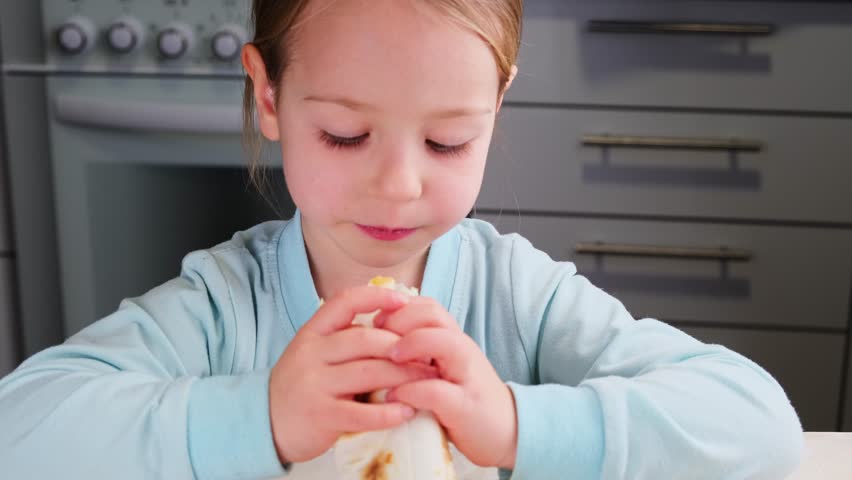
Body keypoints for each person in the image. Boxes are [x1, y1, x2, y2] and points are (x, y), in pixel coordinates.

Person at [0, 0, 803, 478]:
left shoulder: (517, 296)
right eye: (346, 135)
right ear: (269, 95)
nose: (398, 186)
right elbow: (20, 432)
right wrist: (259, 418)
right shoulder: (222, 307)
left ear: (497, 102)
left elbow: (758, 423)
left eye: (448, 141)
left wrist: (517, 425)